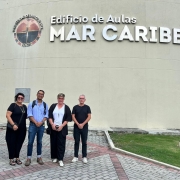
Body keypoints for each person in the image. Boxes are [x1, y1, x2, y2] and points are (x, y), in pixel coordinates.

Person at [25, 90, 48, 166]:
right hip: (32, 126)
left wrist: (41, 122)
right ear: (37, 94)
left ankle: (39, 157)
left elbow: (46, 115)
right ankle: (28, 158)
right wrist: (35, 122)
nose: (40, 95)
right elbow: (29, 114)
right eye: (39, 94)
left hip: (41, 126)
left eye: (42, 94)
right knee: (30, 142)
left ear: (43, 96)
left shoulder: (45, 105)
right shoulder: (31, 104)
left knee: (39, 142)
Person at [48, 93, 72, 167]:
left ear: (63, 99)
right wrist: (52, 124)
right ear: (57, 98)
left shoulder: (66, 107)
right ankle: (54, 157)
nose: (60, 99)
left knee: (61, 143)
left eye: (62, 98)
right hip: (53, 127)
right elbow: (49, 116)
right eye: (59, 98)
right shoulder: (53, 106)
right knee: (54, 142)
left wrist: (62, 126)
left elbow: (68, 118)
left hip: (62, 128)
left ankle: (60, 159)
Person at [6, 93, 27, 166]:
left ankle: (17, 157)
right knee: (11, 143)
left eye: (22, 98)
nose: (20, 99)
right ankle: (11, 158)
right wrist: (13, 124)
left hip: (22, 129)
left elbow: (27, 116)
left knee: (19, 143)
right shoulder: (13, 105)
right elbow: (8, 115)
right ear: (16, 98)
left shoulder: (24, 107)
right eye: (19, 97)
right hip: (12, 128)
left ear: (23, 99)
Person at [71, 95, 91, 164]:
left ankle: (84, 157)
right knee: (76, 142)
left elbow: (89, 117)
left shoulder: (87, 107)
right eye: (80, 98)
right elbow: (73, 116)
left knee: (84, 142)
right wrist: (78, 124)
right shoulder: (75, 107)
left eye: (83, 98)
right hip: (76, 127)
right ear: (78, 99)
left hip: (84, 127)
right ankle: (75, 156)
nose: (81, 100)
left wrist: (82, 124)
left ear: (85, 99)